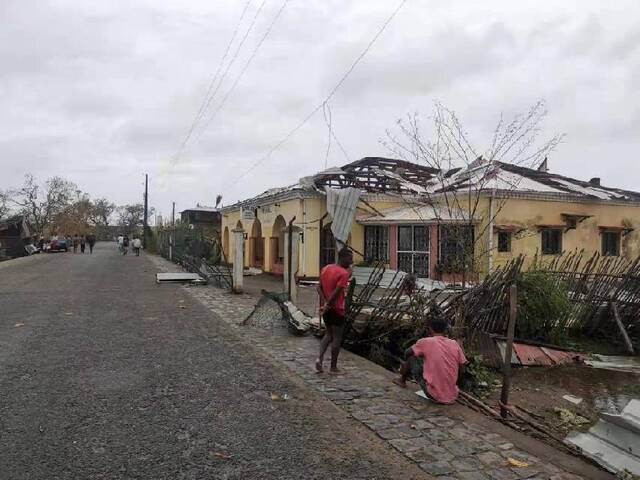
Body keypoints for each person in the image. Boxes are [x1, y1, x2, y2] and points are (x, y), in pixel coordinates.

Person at [393, 314, 467, 404]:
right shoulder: (454, 343)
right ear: (445, 330)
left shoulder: (426, 341)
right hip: (453, 395)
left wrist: (422, 354)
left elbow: (407, 353)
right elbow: (463, 369)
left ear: (430, 329)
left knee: (412, 358)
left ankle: (402, 380)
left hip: (433, 394)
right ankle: (447, 388)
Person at [315, 246, 354, 374]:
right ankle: (333, 367)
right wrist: (329, 303)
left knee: (328, 334)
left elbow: (318, 287)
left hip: (327, 310)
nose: (352, 260)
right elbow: (337, 292)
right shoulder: (343, 273)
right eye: (350, 257)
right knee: (337, 337)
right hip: (337, 309)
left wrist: (325, 302)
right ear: (343, 257)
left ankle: (319, 358)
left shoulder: (326, 268)